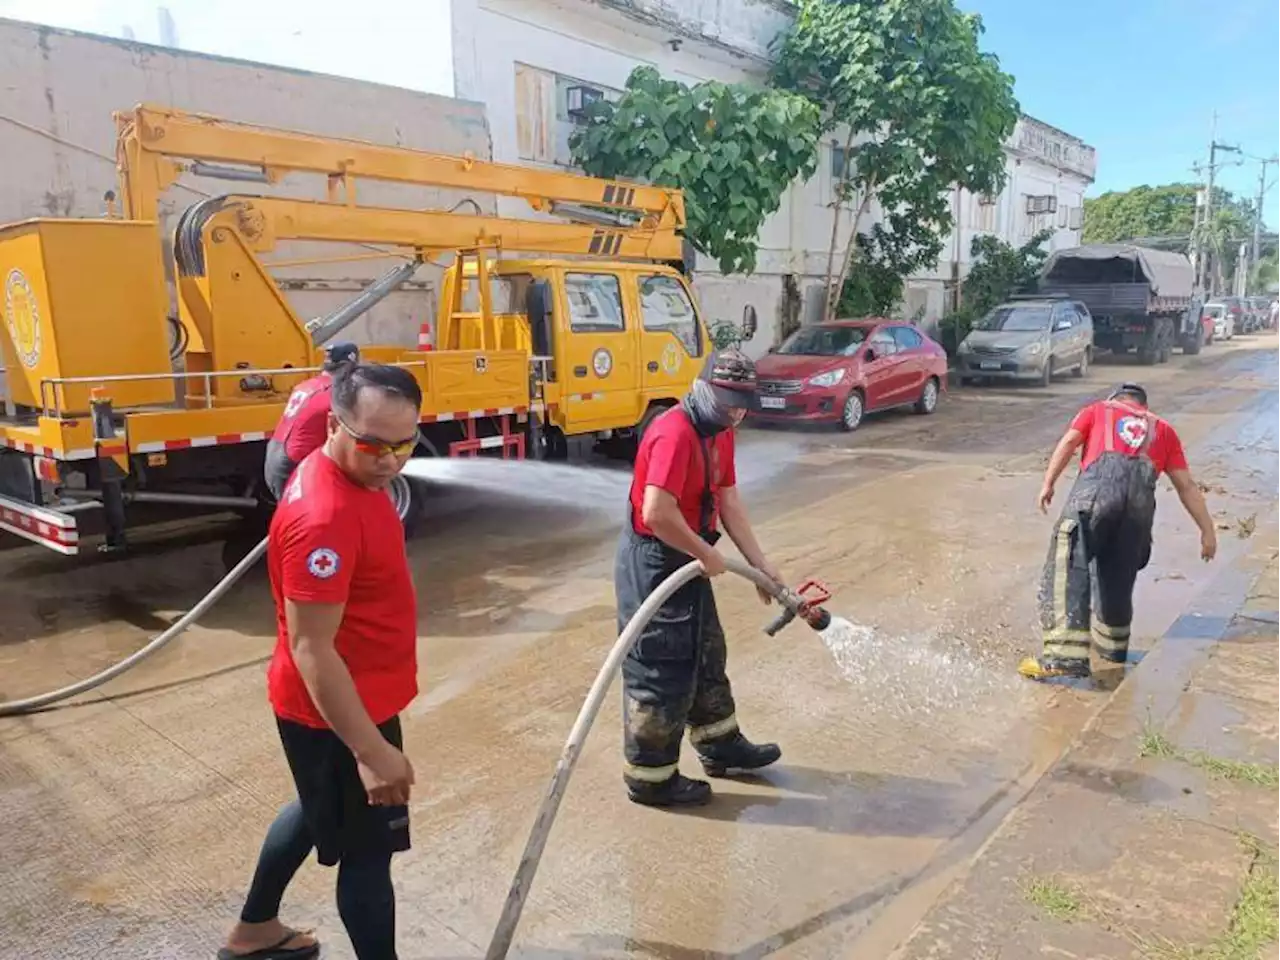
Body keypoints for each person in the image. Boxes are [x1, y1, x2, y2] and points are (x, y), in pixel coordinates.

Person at [220, 362, 423, 960]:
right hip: (337, 707)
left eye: (403, 444)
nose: (389, 460)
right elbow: (314, 649)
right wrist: (372, 751)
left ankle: (255, 929)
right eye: (372, 444)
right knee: (367, 854)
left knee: (315, 811)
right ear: (335, 425)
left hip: (350, 699)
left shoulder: (350, 476)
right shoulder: (325, 519)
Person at [616, 347, 784, 807]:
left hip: (690, 553)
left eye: (742, 403)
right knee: (660, 666)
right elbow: (656, 513)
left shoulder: (721, 430)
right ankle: (651, 778)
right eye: (727, 400)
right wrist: (706, 551)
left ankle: (720, 746)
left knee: (707, 651)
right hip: (655, 561)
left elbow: (728, 499)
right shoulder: (673, 433)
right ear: (703, 387)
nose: (735, 412)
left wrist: (760, 566)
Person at [1019, 382, 1217, 681]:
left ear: (1116, 400)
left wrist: (1048, 483)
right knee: (1117, 577)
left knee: (1069, 560)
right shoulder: (1164, 430)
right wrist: (1207, 532)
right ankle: (1112, 652)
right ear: (1143, 406)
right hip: (1138, 514)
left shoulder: (1098, 409)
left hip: (1095, 497)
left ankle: (1063, 658)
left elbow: (1070, 442)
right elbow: (1185, 485)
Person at [263, 341, 361, 501]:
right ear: (349, 365)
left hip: (275, 454)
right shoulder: (336, 393)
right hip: (295, 461)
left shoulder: (305, 385)